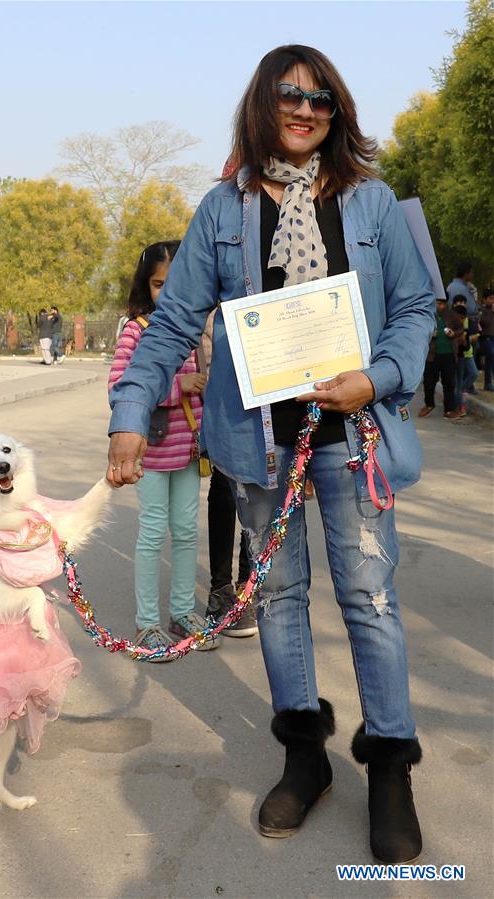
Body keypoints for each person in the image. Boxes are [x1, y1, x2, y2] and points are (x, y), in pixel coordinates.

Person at [106, 46, 435, 863]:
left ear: (336, 109)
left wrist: (379, 376)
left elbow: (414, 304)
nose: (304, 107)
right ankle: (303, 758)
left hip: (349, 438)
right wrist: (129, 411)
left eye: (320, 96)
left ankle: (389, 767)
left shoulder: (370, 201)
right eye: (288, 94)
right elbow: (176, 320)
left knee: (368, 598)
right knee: (279, 598)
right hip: (258, 444)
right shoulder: (224, 209)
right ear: (261, 104)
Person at [108, 241, 219, 659]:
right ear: (146, 285)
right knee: (153, 532)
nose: (167, 293)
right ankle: (148, 623)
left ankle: (182, 613)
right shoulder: (136, 330)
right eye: (158, 285)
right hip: (152, 453)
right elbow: (120, 389)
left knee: (188, 531)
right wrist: (178, 388)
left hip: (188, 451)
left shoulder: (193, 334)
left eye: (175, 284)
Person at [200, 311, 257, 637]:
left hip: (264, 401)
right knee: (223, 489)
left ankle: (248, 585)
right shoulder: (209, 300)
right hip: (222, 405)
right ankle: (221, 591)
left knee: (257, 491)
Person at [418, 297, 464, 419]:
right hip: (431, 355)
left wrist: (454, 333)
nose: (440, 306)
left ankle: (449, 410)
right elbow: (419, 330)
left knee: (449, 383)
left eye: (443, 304)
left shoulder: (452, 315)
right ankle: (429, 404)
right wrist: (430, 333)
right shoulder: (428, 315)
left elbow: (460, 328)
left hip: (448, 354)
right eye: (438, 303)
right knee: (428, 382)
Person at [452, 295, 479, 416]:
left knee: (473, 373)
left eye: (463, 302)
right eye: (458, 302)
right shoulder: (452, 319)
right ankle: (459, 407)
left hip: (467, 353)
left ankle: (460, 393)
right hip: (457, 356)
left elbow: (475, 333)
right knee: (457, 381)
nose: (461, 304)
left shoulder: (467, 318)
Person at [479, 289, 494, 391]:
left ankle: (489, 382)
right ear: (484, 299)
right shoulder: (481, 310)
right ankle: (488, 383)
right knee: (491, 355)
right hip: (485, 337)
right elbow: (483, 322)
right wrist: (491, 313)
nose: (492, 301)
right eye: (491, 298)